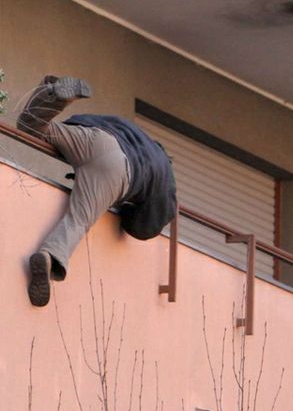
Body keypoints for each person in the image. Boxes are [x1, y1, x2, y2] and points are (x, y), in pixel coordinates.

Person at [17, 76, 177, 307]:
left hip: (96, 137)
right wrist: (126, 214)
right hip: (118, 169)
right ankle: (49, 255)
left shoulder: (137, 135)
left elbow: (95, 121)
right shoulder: (163, 171)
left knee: (31, 127)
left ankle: (52, 95)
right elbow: (149, 224)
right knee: (78, 220)